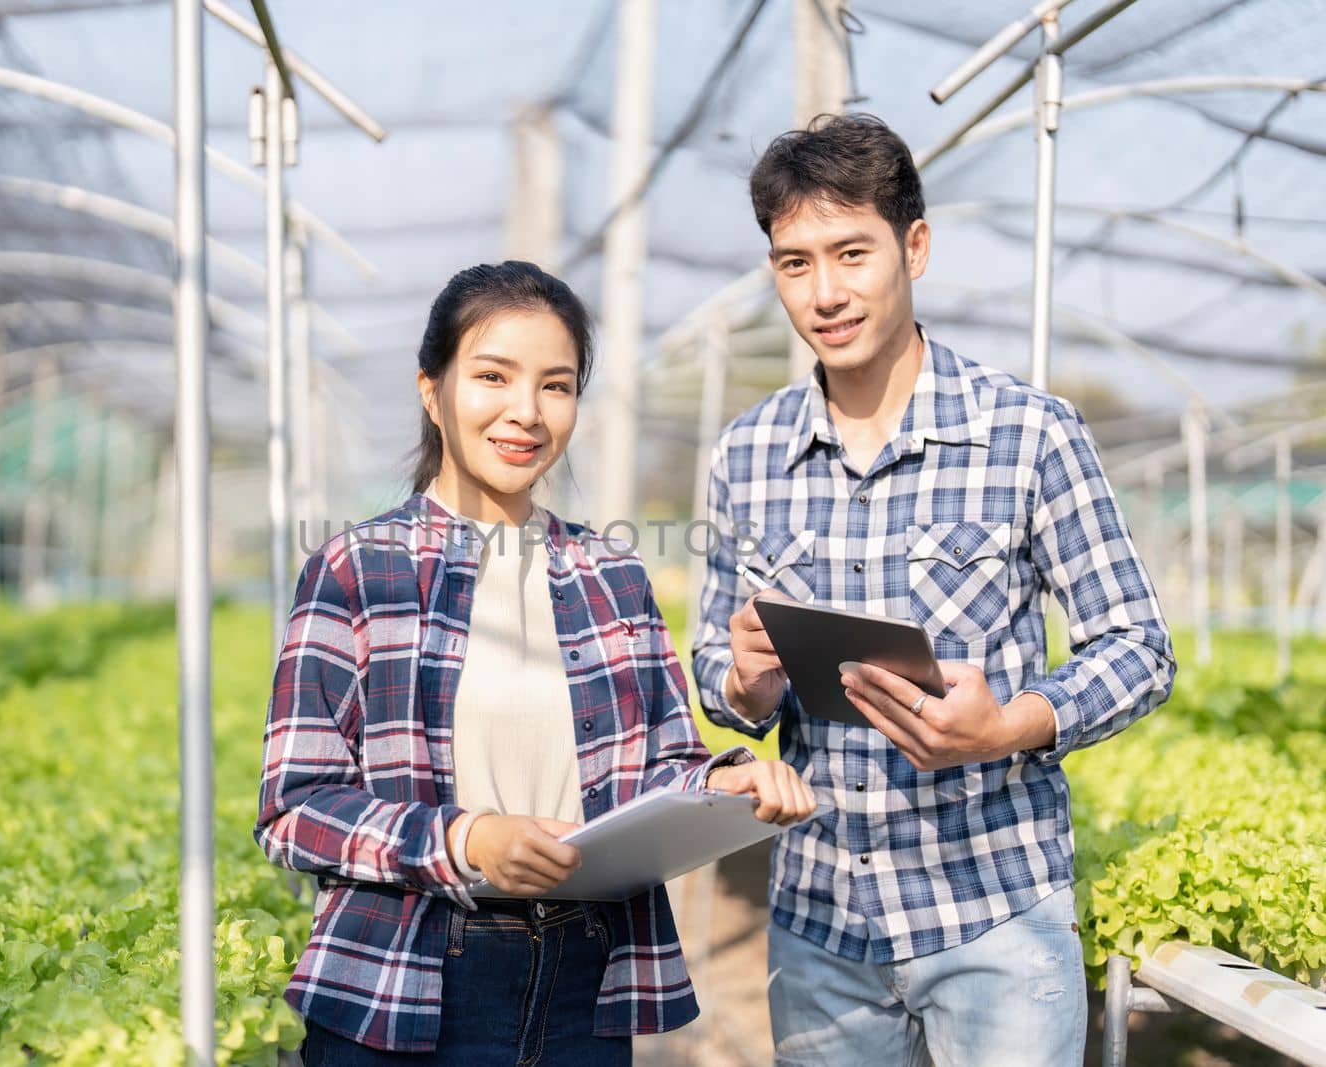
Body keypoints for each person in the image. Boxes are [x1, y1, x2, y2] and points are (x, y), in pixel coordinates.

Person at [691, 115, 1176, 1066]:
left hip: (992, 911)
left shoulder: (1029, 434)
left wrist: (1013, 723)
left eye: (851, 253)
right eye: (794, 263)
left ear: (914, 245)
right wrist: (743, 683)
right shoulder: (747, 455)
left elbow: (1138, 647)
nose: (825, 293)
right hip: (820, 922)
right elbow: (720, 669)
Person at [257, 260, 816, 1065]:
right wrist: (469, 839)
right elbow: (295, 807)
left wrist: (718, 785)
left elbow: (660, 769)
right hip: (404, 983)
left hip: (583, 987)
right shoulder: (357, 569)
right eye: (493, 376)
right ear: (432, 389)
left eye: (556, 386)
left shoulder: (613, 576)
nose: (526, 412)